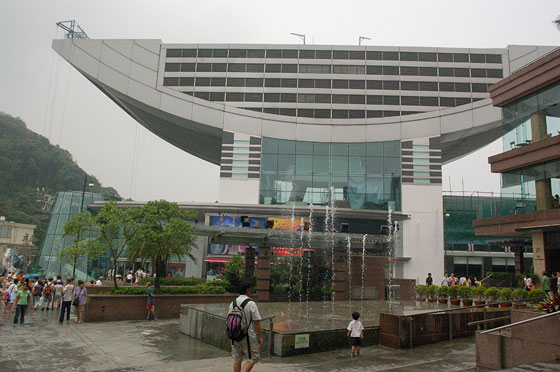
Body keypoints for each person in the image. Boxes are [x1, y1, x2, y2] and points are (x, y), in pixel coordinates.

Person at [229, 281, 263, 372]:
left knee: (237, 359)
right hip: (247, 336)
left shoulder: (233, 303)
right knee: (253, 358)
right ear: (247, 290)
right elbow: (256, 322)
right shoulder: (251, 303)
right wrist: (260, 337)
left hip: (234, 335)